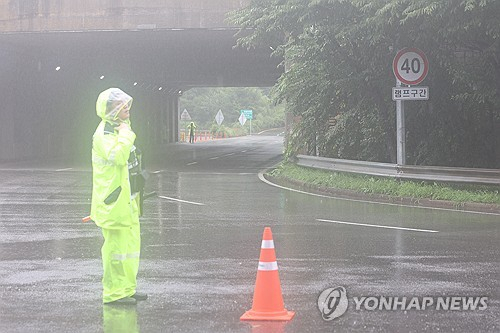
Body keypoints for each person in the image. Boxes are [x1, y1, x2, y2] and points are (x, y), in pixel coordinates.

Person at [90, 88, 147, 305]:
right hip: (112, 202)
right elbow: (119, 156)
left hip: (127, 199)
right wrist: (127, 134)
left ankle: (127, 289)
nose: (128, 110)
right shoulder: (104, 134)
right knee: (115, 250)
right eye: (123, 106)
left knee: (131, 247)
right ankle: (114, 294)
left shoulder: (118, 129)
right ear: (113, 109)